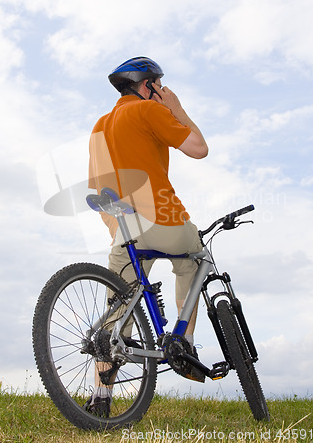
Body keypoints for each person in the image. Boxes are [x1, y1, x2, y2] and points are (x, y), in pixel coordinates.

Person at [88, 56, 208, 415]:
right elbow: (199, 149)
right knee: (195, 258)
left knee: (116, 315)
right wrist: (177, 108)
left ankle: (100, 400)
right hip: (163, 219)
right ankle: (184, 343)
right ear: (147, 86)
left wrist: (121, 225)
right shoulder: (149, 111)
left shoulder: (100, 125)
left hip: (124, 227)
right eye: (159, 84)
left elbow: (97, 189)